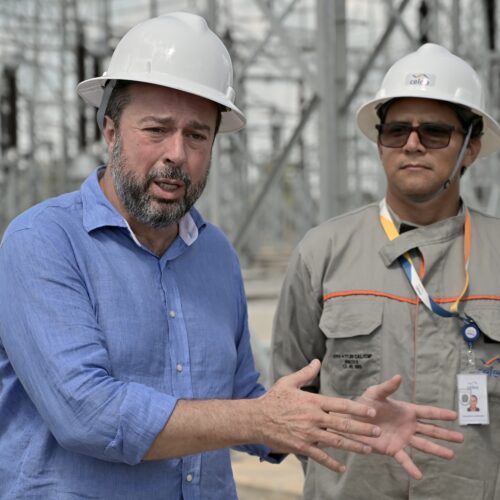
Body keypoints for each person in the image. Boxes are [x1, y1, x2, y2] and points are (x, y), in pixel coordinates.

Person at [0, 14, 462, 498]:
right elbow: (87, 415)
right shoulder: (44, 242)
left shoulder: (213, 253)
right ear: (111, 132)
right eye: (156, 130)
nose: (177, 153)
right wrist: (259, 418)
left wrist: (346, 418)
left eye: (197, 135)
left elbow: (242, 398)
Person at [271, 42, 500, 500]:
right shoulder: (323, 252)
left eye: (435, 133)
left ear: (471, 147)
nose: (412, 144)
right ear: (379, 143)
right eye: (397, 131)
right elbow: (287, 402)